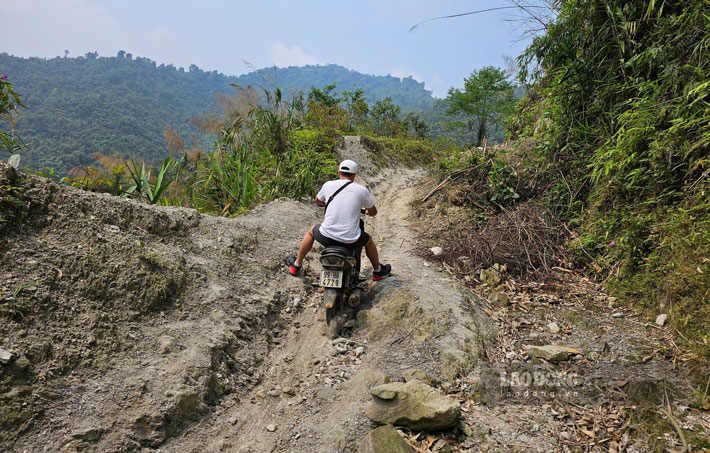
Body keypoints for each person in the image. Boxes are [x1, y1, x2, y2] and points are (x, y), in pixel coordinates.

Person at [287, 159, 392, 281]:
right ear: (354, 175)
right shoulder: (362, 190)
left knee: (311, 231)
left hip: (326, 236)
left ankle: (296, 265)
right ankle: (378, 271)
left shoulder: (328, 185)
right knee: (369, 241)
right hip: (351, 240)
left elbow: (318, 201)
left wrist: (327, 203)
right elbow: (373, 212)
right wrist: (366, 211)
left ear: (338, 173)